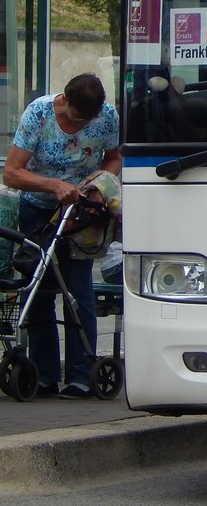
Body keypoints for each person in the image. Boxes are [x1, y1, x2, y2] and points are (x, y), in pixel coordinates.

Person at [2, 73, 121, 398]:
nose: (80, 124)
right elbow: (11, 172)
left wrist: (97, 184)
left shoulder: (107, 117)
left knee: (77, 288)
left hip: (80, 212)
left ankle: (82, 373)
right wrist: (53, 185)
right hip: (38, 207)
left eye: (87, 119)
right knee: (36, 287)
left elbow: (114, 157)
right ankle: (43, 373)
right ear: (64, 100)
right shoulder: (39, 114)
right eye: (74, 117)